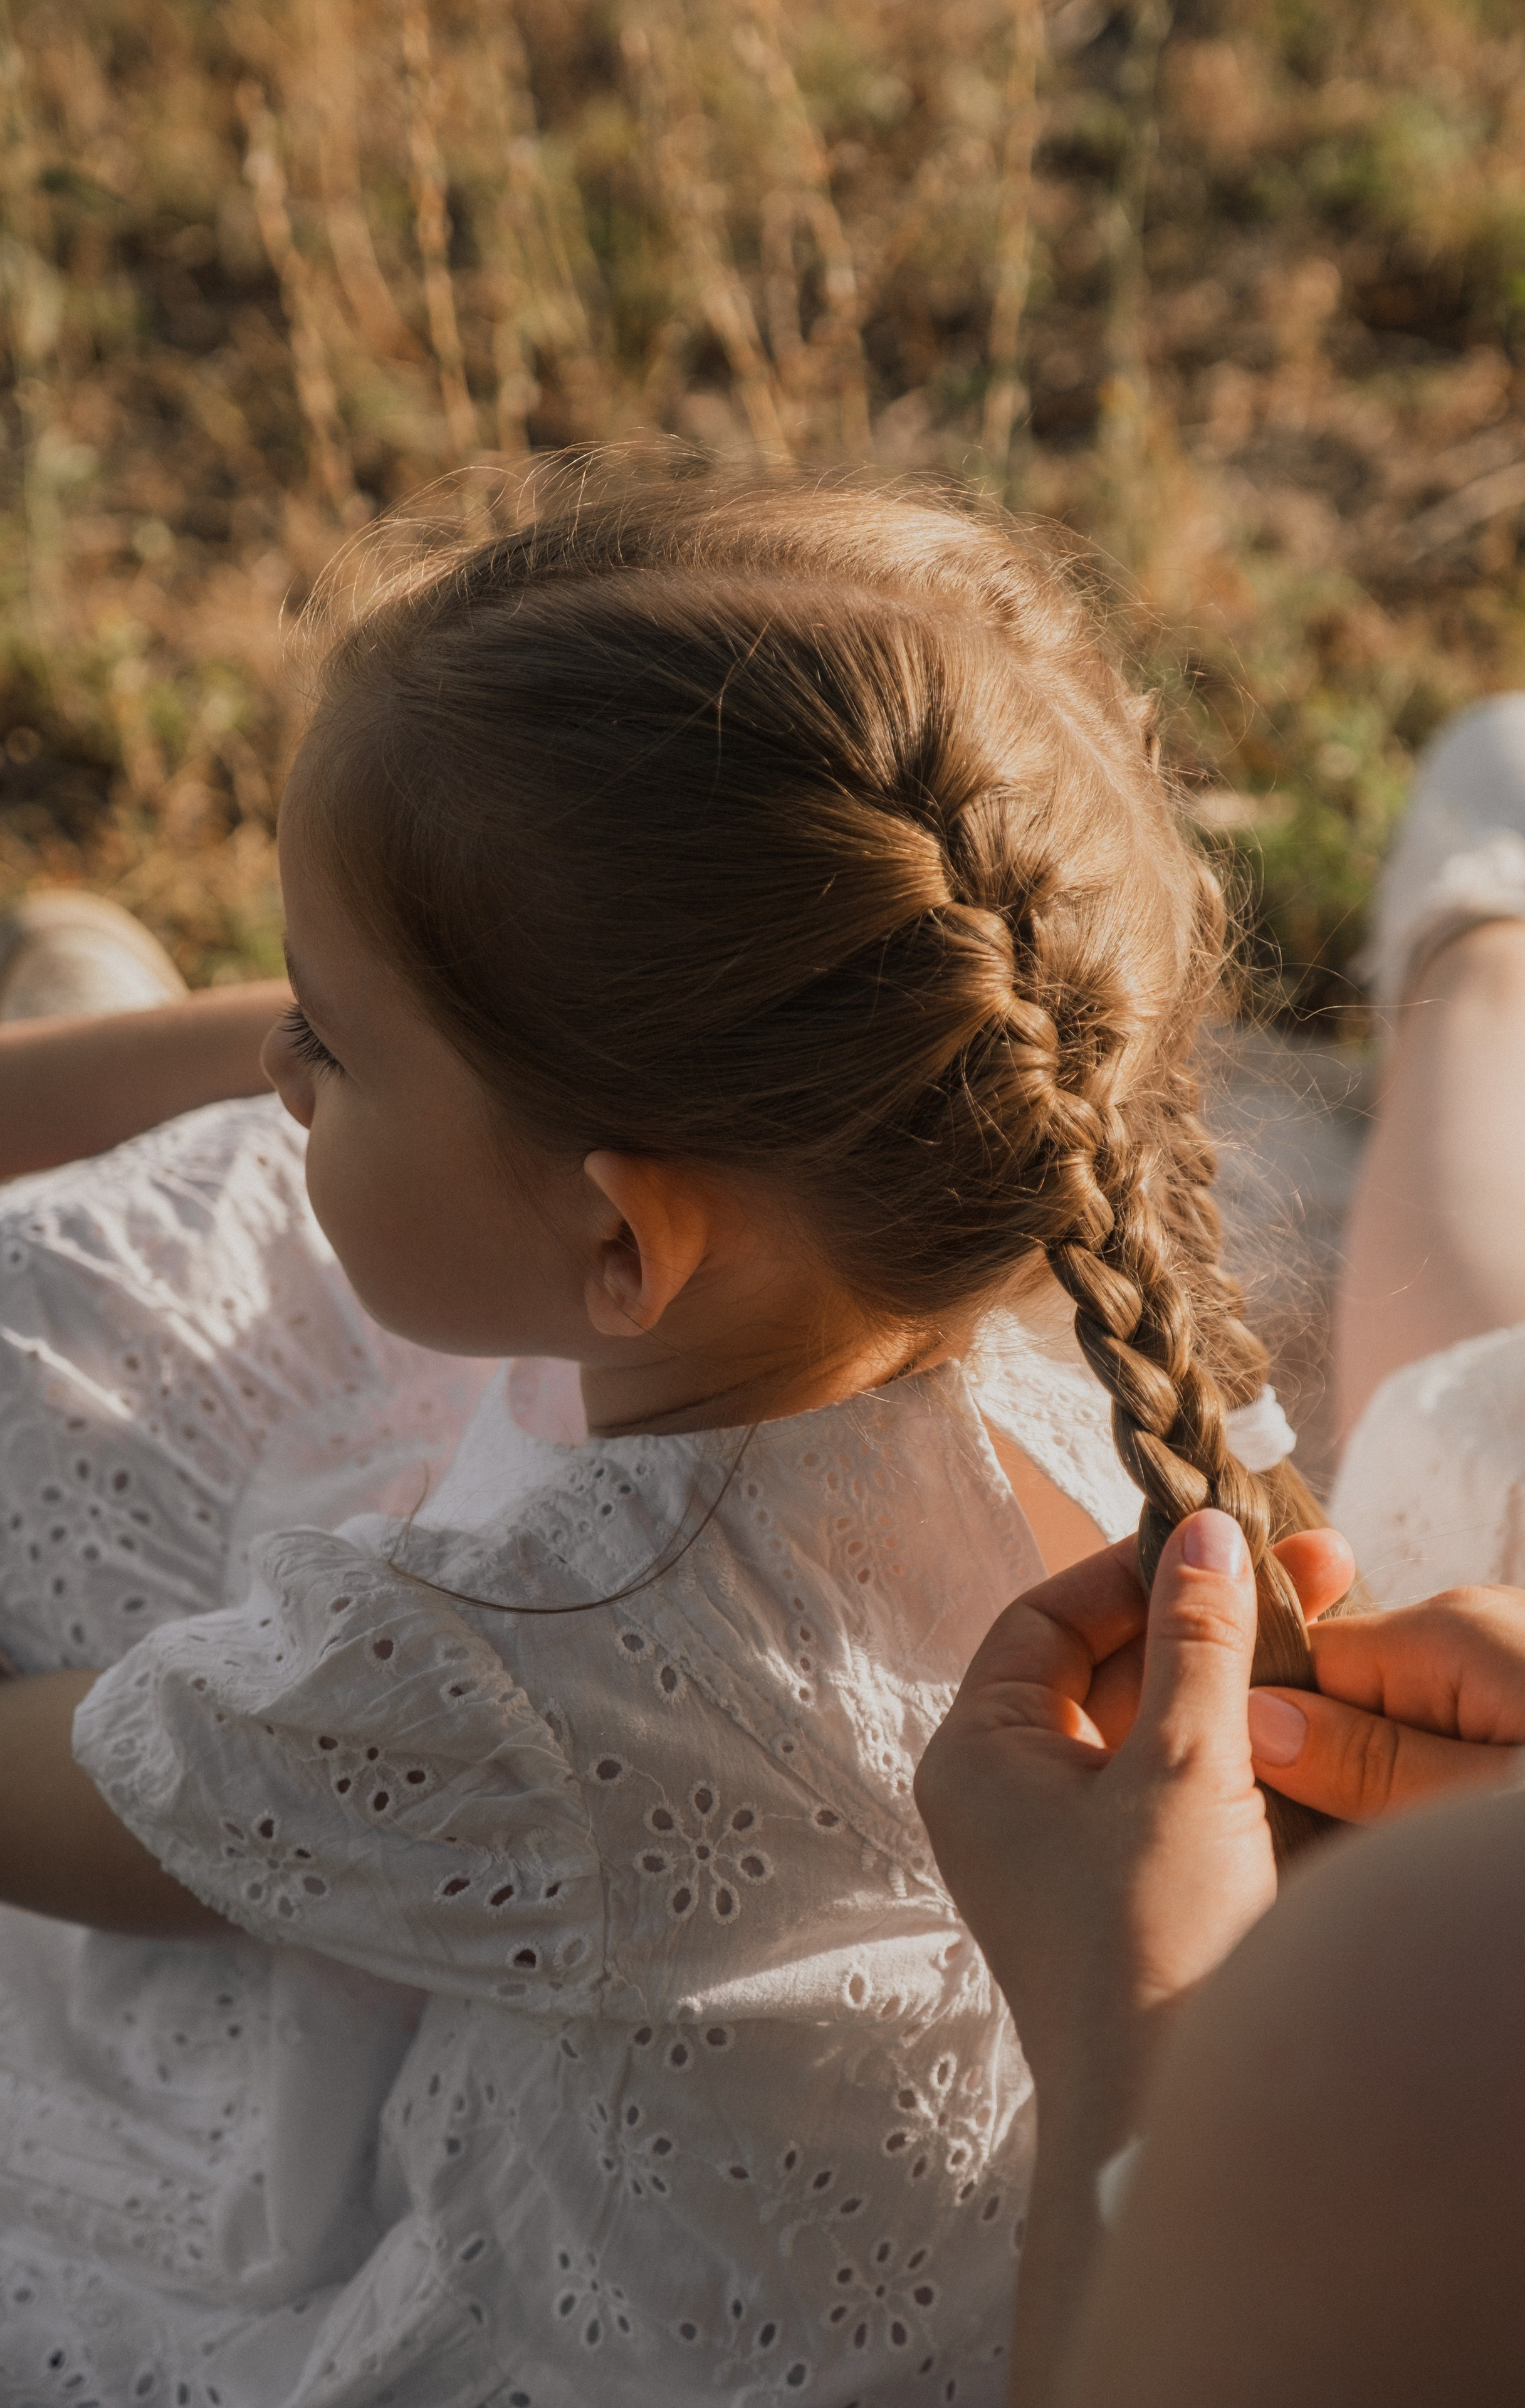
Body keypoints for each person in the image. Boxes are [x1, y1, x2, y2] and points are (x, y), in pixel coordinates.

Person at [0, 474, 1333, 2406]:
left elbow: (59, 1799)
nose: (282, 1070)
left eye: (326, 1038)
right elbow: (376, 1054)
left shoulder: (502, 1663)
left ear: (622, 1242)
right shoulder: (1042, 1289)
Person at [918, 690, 1525, 2404]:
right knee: (1524, 1384)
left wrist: (1120, 2022)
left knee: (1493, 1323)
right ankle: (1510, 949)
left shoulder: (1404, 2066)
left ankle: (1499, 955)